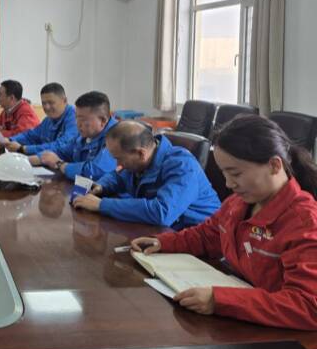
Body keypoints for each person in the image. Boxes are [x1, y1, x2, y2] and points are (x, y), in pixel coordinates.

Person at [131, 115, 317, 330]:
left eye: (236, 173)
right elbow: (208, 235)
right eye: (224, 173)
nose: (228, 183)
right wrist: (164, 242)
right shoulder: (239, 203)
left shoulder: (305, 223)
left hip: (286, 336)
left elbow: (308, 305)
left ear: (274, 165)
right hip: (247, 319)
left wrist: (220, 300)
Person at [72, 120, 220, 228]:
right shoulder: (138, 161)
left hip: (200, 240)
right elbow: (117, 176)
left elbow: (162, 212)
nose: (118, 164)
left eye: (119, 159)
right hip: (163, 232)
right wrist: (101, 186)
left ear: (141, 153)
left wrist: (101, 205)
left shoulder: (183, 166)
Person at [34, 91, 117, 181]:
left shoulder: (117, 137)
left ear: (103, 120)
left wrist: (60, 164)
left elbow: (94, 172)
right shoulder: (85, 134)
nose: (78, 124)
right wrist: (36, 158)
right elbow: (62, 151)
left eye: (83, 120)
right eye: (76, 118)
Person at [3, 82, 78, 157]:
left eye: (51, 102)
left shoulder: (76, 118)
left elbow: (61, 145)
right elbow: (31, 135)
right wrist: (10, 140)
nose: (47, 107)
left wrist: (24, 149)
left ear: (64, 101)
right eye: (44, 103)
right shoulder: (48, 120)